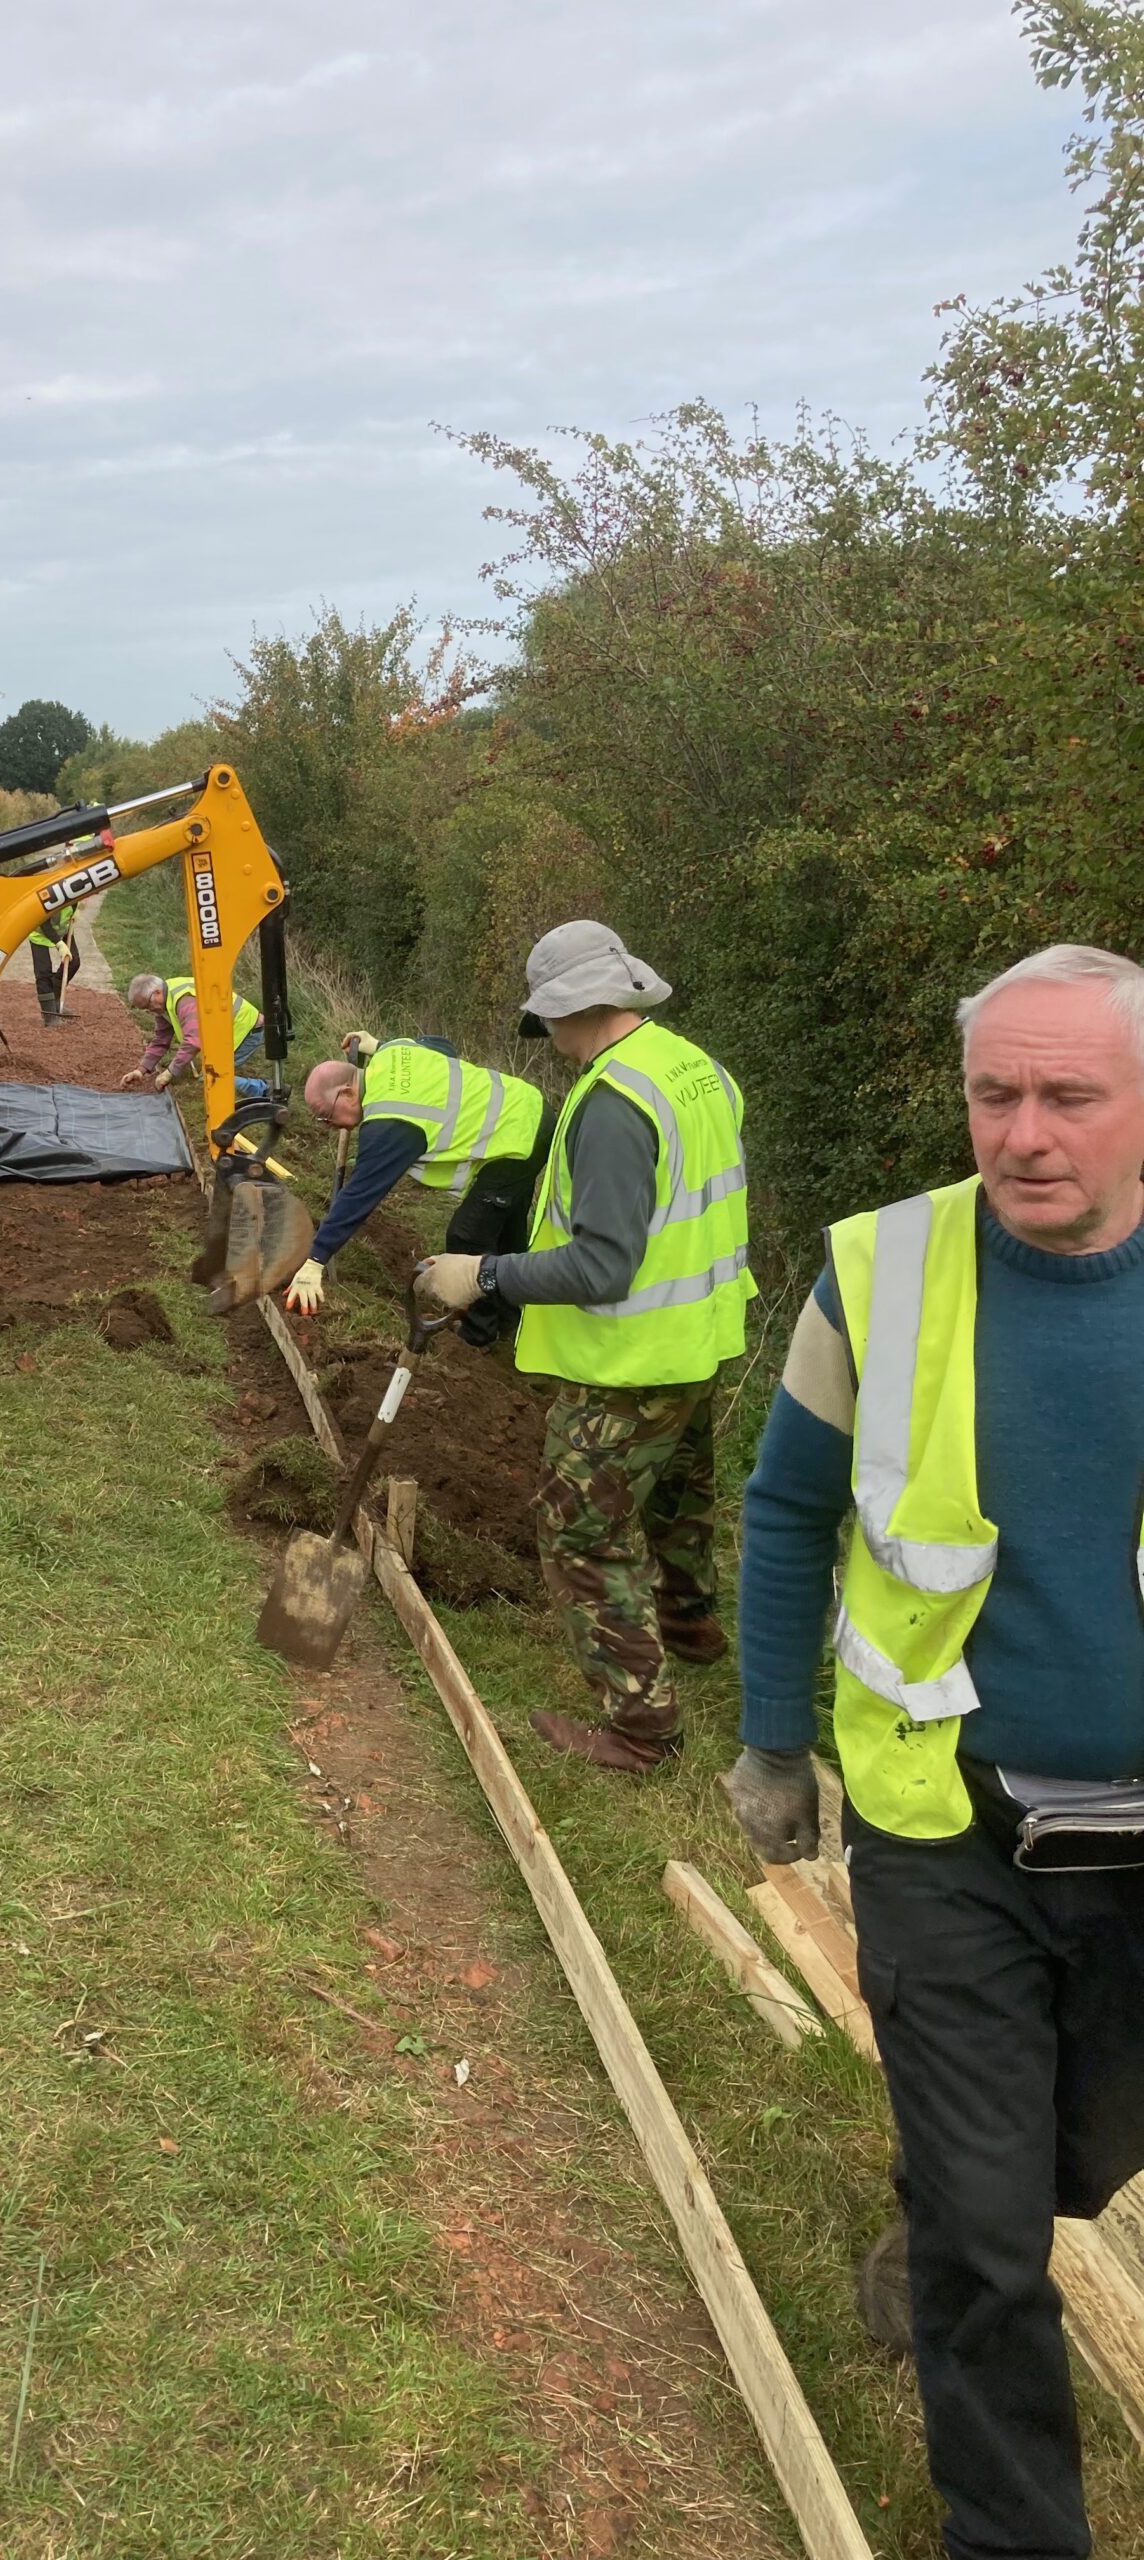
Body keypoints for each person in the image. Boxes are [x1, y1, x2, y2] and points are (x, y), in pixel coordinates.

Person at [724, 944, 1144, 2560]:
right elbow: (787, 1510)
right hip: (946, 1825)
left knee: (1075, 2159)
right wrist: (774, 1744)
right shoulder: (883, 1274)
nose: (1024, 1133)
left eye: (1068, 1096)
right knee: (989, 2237)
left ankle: (964, 2203)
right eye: (994, 1093)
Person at [416, 921, 751, 1772]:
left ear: (569, 1009)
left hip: (627, 1362)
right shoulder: (692, 1067)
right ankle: (691, 1631)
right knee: (676, 1498)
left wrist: (483, 1274)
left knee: (579, 1534)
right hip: (700, 1337)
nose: (549, 1036)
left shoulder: (611, 1106)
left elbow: (603, 1265)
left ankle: (642, 1731)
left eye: (547, 1019)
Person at [287, 1036, 552, 1348]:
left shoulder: (389, 1121)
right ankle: (512, 1316)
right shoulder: (392, 1051)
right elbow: (442, 1048)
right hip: (528, 1105)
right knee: (505, 1230)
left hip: (517, 1139)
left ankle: (478, 1335)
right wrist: (376, 1044)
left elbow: (359, 1195)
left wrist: (315, 1259)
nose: (328, 1126)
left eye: (326, 1116)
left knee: (468, 1237)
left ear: (347, 1092)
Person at [119, 972, 268, 1101]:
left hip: (244, 1028)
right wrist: (140, 1070)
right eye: (144, 1009)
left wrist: (170, 1072)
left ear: (157, 992)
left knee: (211, 1077)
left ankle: (264, 1089)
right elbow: (161, 1040)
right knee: (210, 1073)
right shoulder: (165, 1003)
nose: (149, 1010)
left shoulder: (184, 1000)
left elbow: (193, 1042)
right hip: (228, 1031)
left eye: (148, 1005)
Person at [30, 904, 81, 1026]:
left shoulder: (73, 897)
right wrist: (59, 944)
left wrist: (74, 912)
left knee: (73, 962)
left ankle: (55, 1000)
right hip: (39, 933)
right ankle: (49, 1016)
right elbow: (43, 922)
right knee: (43, 972)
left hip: (61, 931)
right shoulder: (51, 899)